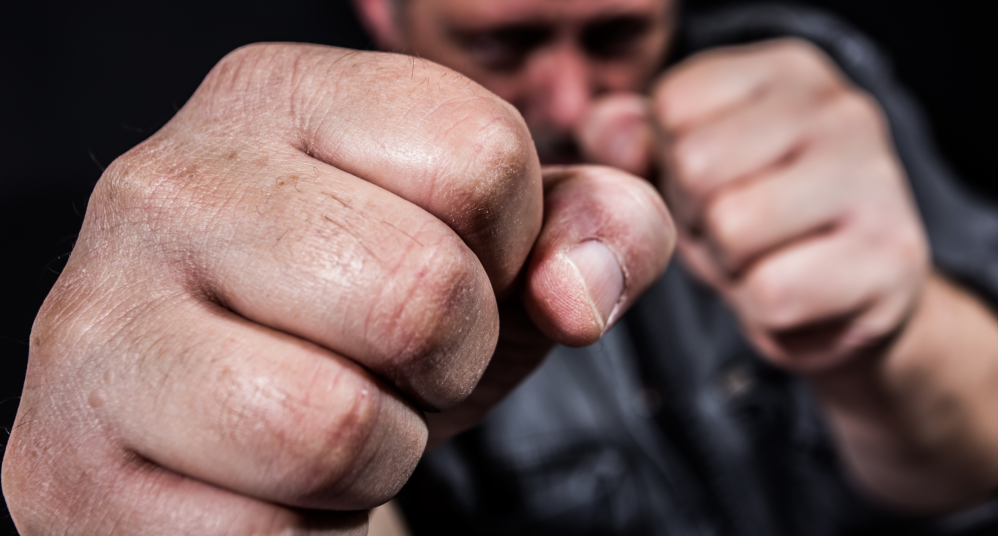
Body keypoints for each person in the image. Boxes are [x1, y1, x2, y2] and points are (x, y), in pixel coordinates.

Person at [3, 0, 998, 535]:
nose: (567, 99)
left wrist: (886, 328)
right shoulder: (297, 191)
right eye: (503, 43)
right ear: (386, 14)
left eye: (614, 36)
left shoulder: (807, 85)